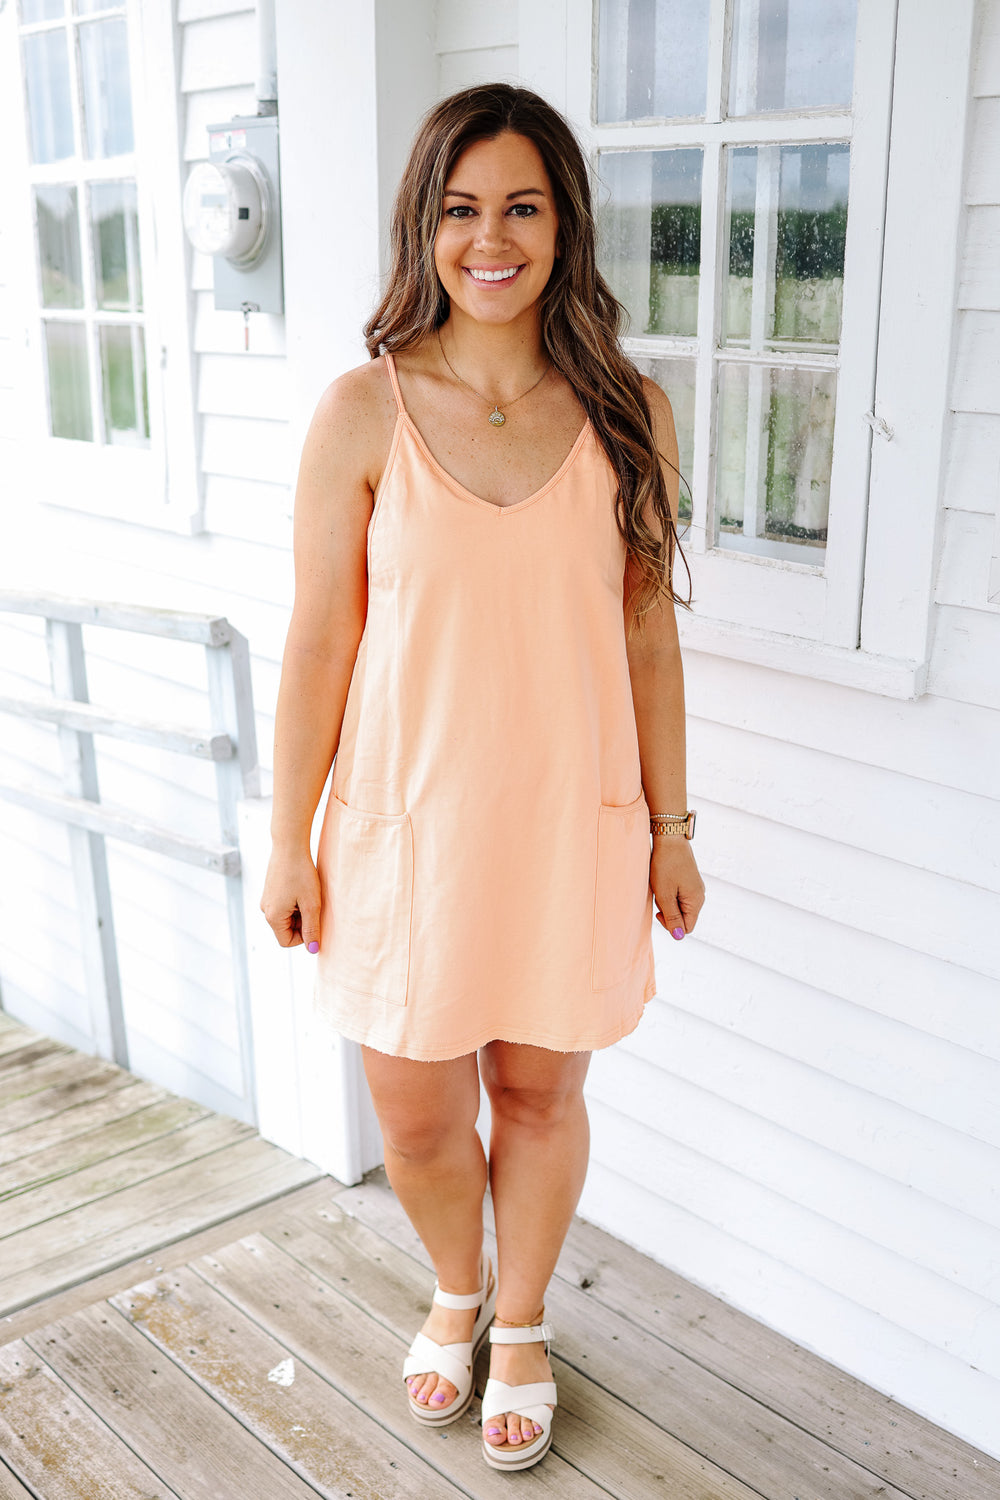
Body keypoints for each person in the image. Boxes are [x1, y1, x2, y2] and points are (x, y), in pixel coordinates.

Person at [261, 82, 706, 1474]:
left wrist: (673, 829)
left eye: (522, 206)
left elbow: (649, 640)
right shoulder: (363, 413)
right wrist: (288, 840)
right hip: (404, 833)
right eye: (461, 210)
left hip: (570, 825)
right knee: (416, 1116)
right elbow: (320, 644)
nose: (491, 239)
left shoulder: (630, 412)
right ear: (425, 226)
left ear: (565, 224)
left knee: (539, 1098)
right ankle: (455, 1286)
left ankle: (521, 1322)